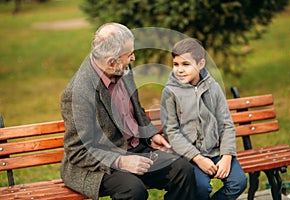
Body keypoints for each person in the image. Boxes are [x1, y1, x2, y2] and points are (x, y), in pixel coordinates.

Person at [60, 22, 198, 200]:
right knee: (133, 190)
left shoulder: (122, 66)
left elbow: (135, 108)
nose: (133, 58)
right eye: (129, 54)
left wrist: (150, 134)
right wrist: (121, 161)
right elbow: (77, 151)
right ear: (111, 61)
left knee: (182, 169)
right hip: (99, 163)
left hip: (135, 148)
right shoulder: (77, 93)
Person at [160, 38, 248, 200]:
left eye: (186, 64)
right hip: (189, 157)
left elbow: (226, 124)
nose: (179, 69)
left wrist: (227, 156)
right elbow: (172, 132)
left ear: (201, 64)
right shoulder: (170, 92)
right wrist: (198, 158)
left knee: (239, 182)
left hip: (216, 152)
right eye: (176, 64)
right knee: (200, 188)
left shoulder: (213, 88)